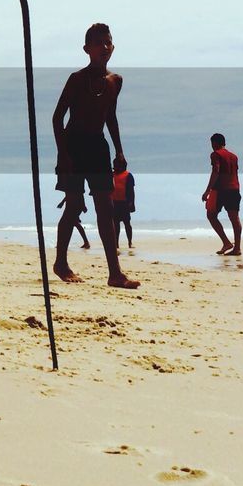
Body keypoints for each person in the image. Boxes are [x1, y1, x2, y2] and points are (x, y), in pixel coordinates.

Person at [52, 23, 138, 288]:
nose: (104, 47)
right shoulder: (77, 79)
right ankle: (61, 263)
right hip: (74, 146)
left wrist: (119, 150)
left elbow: (110, 117)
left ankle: (115, 273)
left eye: (108, 42)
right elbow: (58, 118)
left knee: (106, 207)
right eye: (98, 43)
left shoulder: (115, 81)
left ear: (112, 47)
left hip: (99, 147)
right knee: (75, 205)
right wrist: (63, 155)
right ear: (87, 49)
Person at [202, 133, 241, 255]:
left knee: (211, 215)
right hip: (234, 189)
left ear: (215, 143)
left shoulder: (215, 154)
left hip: (220, 190)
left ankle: (226, 242)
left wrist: (207, 190)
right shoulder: (234, 156)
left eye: (212, 144)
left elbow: (216, 171)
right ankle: (237, 248)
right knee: (234, 218)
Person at [111, 157, 135, 250]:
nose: (116, 167)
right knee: (116, 224)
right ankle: (116, 243)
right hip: (114, 203)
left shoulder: (128, 175)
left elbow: (131, 191)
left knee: (127, 224)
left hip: (124, 203)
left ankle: (130, 242)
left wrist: (132, 203)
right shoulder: (112, 175)